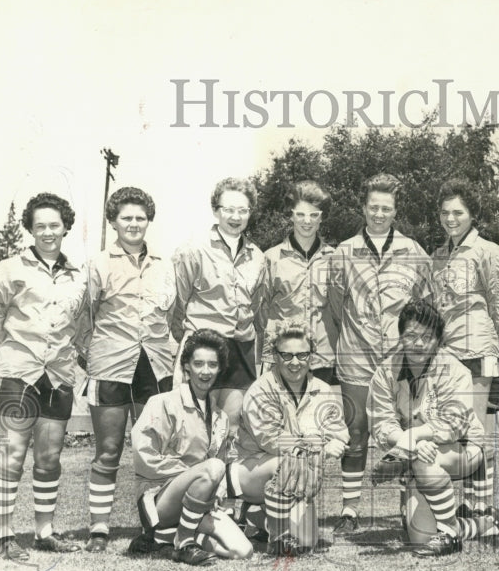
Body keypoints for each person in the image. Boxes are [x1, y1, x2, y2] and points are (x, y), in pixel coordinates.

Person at [0, 192, 88, 561]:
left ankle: (44, 532)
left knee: (49, 458)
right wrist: (9, 357)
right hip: (17, 373)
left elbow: (82, 324)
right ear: (30, 228)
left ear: (65, 227)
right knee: (11, 455)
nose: (47, 232)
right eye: (39, 225)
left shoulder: (78, 274)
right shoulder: (8, 268)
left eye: (54, 225)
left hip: (57, 374)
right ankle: (4, 536)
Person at [327, 173, 432, 534]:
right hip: (356, 356)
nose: (379, 214)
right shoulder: (343, 251)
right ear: (363, 207)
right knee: (356, 435)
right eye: (373, 207)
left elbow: (424, 305)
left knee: (405, 432)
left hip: (401, 362)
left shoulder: (414, 251)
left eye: (386, 208)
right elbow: (335, 305)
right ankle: (350, 510)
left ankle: (409, 506)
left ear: (395, 210)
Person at [368, 301, 499, 556]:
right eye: (411, 336)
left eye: (427, 337)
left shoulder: (454, 369)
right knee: (421, 537)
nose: (418, 344)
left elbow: (453, 425)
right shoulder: (385, 371)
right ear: (400, 336)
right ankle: (489, 524)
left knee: (424, 460)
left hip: (464, 450)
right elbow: (381, 423)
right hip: (416, 453)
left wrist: (414, 436)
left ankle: (450, 535)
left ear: (438, 340)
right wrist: (411, 442)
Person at [80, 187, 177, 552]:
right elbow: (83, 317)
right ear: (113, 222)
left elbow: (175, 316)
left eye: (140, 217)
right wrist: (93, 357)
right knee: (108, 450)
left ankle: (154, 526)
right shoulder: (98, 263)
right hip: (110, 365)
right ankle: (99, 530)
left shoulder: (165, 266)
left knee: (152, 449)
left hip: (153, 366)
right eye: (126, 218)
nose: (134, 224)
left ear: (148, 221)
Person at [431, 177, 499, 534]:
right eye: (446, 213)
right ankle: (466, 504)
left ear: (472, 214)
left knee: (477, 431)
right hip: (447, 352)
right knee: (455, 430)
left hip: (479, 348)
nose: (452, 219)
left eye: (459, 212)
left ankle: (481, 507)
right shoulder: (437, 255)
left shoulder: (488, 251)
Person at [130, 329, 253, 565]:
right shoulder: (162, 403)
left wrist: (211, 489)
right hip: (160, 499)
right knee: (214, 467)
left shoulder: (220, 417)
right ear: (186, 367)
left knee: (242, 551)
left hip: (197, 503)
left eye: (212, 365)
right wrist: (194, 475)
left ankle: (162, 538)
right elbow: (143, 454)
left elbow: (218, 466)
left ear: (219, 369)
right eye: (198, 364)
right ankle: (184, 542)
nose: (205, 371)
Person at [230, 321, 349, 556]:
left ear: (311, 356)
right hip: (253, 471)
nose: (295, 362)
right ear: (275, 355)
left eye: (302, 355)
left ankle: (257, 515)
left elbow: (339, 431)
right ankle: (274, 532)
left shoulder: (323, 390)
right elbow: (273, 441)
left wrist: (337, 442)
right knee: (287, 462)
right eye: (287, 355)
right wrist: (321, 445)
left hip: (300, 477)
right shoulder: (261, 390)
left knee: (306, 542)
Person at [171, 177, 266, 440]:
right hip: (204, 346)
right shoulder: (193, 249)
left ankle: (226, 481)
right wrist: (189, 345)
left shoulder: (258, 256)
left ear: (250, 213)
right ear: (215, 210)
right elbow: (178, 303)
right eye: (228, 210)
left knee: (232, 428)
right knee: (197, 429)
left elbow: (256, 306)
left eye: (243, 210)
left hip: (241, 347)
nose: (235, 217)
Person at [258, 181, 338, 385]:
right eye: (301, 214)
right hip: (285, 357)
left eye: (314, 215)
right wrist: (267, 357)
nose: (307, 221)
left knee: (318, 415)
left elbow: (340, 311)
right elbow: (262, 312)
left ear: (322, 218)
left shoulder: (335, 259)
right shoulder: (271, 258)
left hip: (322, 359)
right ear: (291, 214)